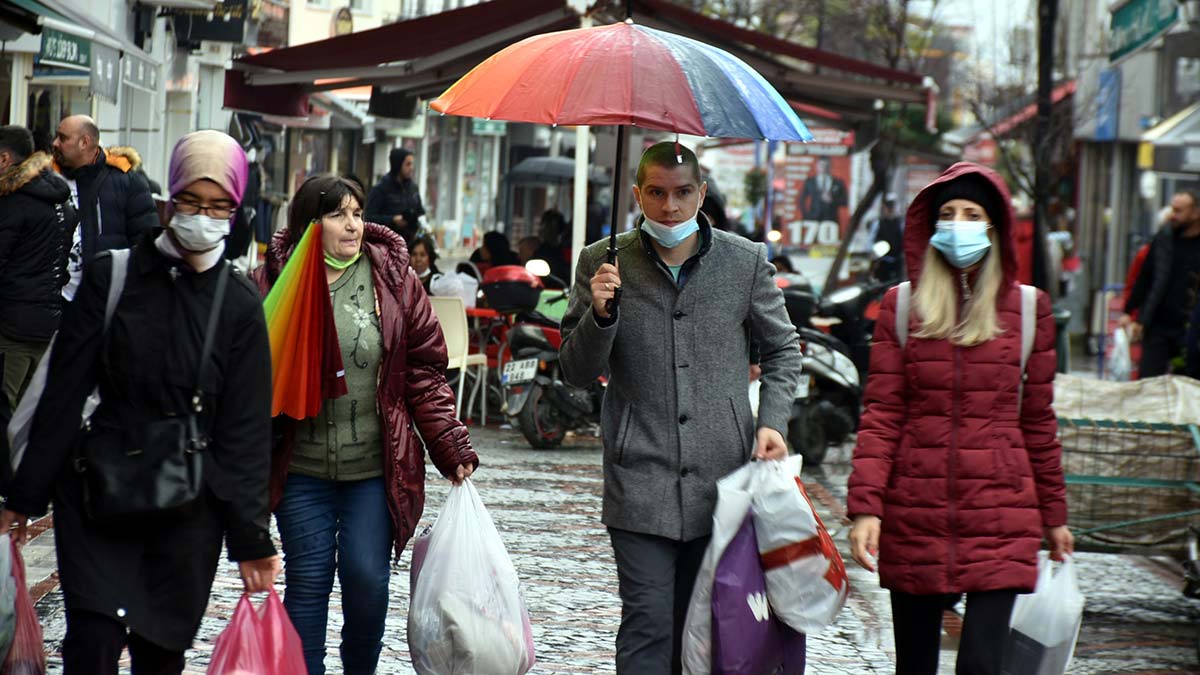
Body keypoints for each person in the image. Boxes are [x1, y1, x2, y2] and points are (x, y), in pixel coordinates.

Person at [0, 129, 280, 673]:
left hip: (186, 510)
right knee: (93, 643)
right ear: (170, 199)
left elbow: (245, 434)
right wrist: (23, 493)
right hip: (100, 493)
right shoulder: (114, 276)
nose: (204, 216)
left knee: (160, 655)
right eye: (193, 202)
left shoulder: (241, 305)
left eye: (220, 206)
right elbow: (63, 392)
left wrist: (250, 538)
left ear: (236, 210)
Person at [559, 141, 802, 674]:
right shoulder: (602, 261)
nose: (670, 207)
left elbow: (784, 349)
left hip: (725, 484)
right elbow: (573, 372)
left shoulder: (745, 262)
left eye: (683, 193)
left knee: (706, 632)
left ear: (702, 193)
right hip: (638, 479)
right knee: (648, 625)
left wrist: (772, 424)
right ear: (637, 194)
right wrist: (600, 315)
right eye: (657, 193)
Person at [846, 163, 1073, 675]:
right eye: (947, 214)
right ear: (931, 228)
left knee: (982, 664)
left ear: (994, 227)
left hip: (1001, 512)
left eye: (972, 214)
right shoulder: (902, 307)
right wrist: (866, 508)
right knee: (916, 665)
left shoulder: (1030, 309)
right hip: (915, 511)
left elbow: (1038, 422)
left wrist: (1055, 517)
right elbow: (882, 413)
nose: (958, 224)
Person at [256, 174, 479, 675]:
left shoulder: (393, 279)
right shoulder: (273, 278)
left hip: (373, 470)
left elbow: (424, 370)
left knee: (367, 579)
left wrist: (450, 445)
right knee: (308, 581)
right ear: (309, 224)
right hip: (301, 468)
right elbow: (249, 374)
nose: (352, 225)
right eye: (337, 214)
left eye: (357, 213)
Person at [0, 125, 77, 407]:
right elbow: (61, 266)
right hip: (47, 325)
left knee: (5, 412)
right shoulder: (60, 203)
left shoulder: (13, 203)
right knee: (26, 415)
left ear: (4, 160)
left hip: (11, 330)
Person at [51, 115, 158, 301]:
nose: (55, 143)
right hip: (52, 304)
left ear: (84, 142)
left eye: (63, 138)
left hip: (102, 304)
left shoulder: (127, 182)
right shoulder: (46, 179)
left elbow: (145, 247)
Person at [1123, 191, 1200, 377]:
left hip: (1191, 328)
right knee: (1149, 380)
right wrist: (1129, 312)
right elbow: (1145, 277)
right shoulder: (1164, 238)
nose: (1173, 214)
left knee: (1189, 384)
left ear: (1196, 213)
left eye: (1179, 210)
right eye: (1172, 209)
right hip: (1159, 324)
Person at [364, 147, 425, 244]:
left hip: (410, 243)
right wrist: (392, 220)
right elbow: (369, 217)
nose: (411, 168)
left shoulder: (413, 188)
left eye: (412, 164)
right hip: (387, 244)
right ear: (398, 164)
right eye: (408, 164)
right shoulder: (382, 188)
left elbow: (420, 212)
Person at [799, 156, 847, 223]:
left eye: (827, 165)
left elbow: (845, 201)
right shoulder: (810, 182)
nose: (824, 167)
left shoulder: (838, 182)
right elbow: (801, 200)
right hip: (813, 219)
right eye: (822, 165)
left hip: (831, 219)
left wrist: (832, 200)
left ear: (830, 166)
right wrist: (806, 215)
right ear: (817, 166)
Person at [870, 193, 905, 282]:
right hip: (882, 262)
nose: (890, 209)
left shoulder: (901, 224)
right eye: (888, 206)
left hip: (897, 262)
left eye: (892, 206)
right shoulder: (878, 224)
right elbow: (871, 242)